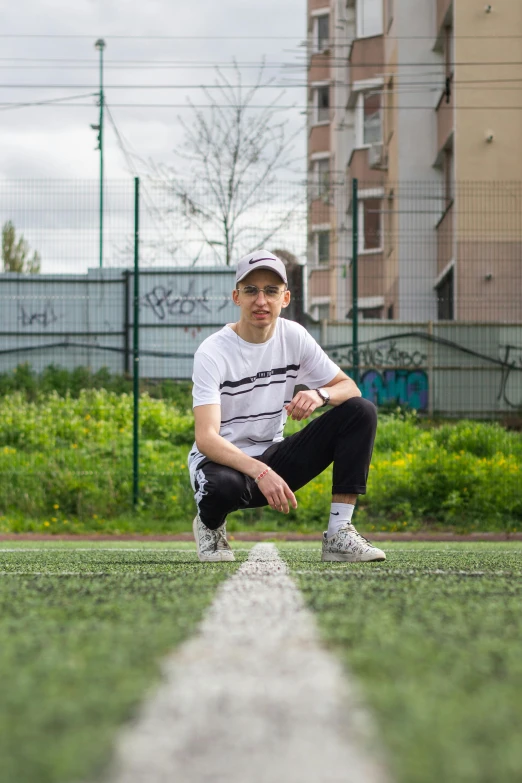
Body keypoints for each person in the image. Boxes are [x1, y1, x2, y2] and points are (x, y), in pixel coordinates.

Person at [188, 250, 385, 564]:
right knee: (219, 487)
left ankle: (338, 533)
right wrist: (262, 472)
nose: (261, 301)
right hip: (225, 464)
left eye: (271, 291)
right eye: (251, 290)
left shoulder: (294, 337)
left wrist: (320, 394)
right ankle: (210, 526)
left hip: (274, 455)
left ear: (286, 298)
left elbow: (350, 388)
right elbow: (206, 438)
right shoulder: (212, 351)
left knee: (360, 411)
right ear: (236, 297)